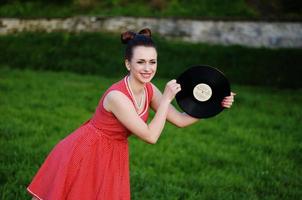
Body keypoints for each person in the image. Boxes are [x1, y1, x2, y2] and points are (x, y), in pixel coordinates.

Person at [27, 28, 235, 200]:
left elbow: (180, 120)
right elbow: (151, 136)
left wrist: (215, 105)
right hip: (85, 151)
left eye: (152, 62)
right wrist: (167, 100)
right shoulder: (117, 97)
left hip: (113, 153)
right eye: (141, 62)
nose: (148, 68)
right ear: (128, 63)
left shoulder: (149, 89)